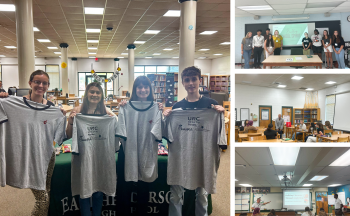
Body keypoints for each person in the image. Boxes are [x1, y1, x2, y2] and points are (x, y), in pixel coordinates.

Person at [0, 70, 66, 215]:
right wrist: (2, 98)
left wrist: (63, 116)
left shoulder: (52, 109)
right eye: (37, 81)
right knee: (42, 198)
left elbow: (60, 137)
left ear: (48, 86)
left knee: (47, 190)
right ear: (30, 83)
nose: (40, 85)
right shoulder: (13, 103)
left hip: (48, 156)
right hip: (29, 158)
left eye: (44, 83)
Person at [163, 66, 224, 216]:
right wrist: (166, 116)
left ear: (200, 80)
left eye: (194, 79)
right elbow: (167, 136)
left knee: (202, 195)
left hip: (203, 156)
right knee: (176, 194)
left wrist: (221, 113)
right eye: (187, 80)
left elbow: (220, 135)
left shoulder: (211, 106)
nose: (191, 83)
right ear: (183, 83)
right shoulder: (177, 108)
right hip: (180, 156)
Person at [117, 76, 163, 216]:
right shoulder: (126, 107)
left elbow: (158, 134)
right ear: (135, 89)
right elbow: (120, 132)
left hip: (146, 154)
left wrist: (161, 111)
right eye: (139, 87)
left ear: (150, 89)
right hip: (128, 153)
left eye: (145, 87)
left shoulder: (156, 108)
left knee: (144, 191)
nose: (143, 90)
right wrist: (122, 107)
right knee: (124, 191)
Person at [66, 82, 114, 216]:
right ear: (86, 94)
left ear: (101, 95)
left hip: (99, 156)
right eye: (92, 92)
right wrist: (71, 121)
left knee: (98, 190)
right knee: (84, 190)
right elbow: (68, 135)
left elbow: (115, 123)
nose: (94, 95)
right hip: (83, 156)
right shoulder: (77, 110)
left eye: (98, 92)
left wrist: (112, 120)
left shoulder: (105, 111)